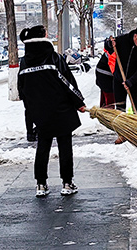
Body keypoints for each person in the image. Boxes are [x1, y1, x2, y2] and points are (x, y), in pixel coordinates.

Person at [17, 25, 86, 198]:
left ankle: (41, 184)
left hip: (40, 112)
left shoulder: (24, 62)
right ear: (43, 37)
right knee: (64, 146)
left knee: (43, 147)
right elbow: (66, 82)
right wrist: (79, 102)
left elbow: (22, 89)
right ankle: (67, 183)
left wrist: (32, 113)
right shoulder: (53, 58)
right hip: (60, 109)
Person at [111, 26, 137, 117]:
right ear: (135, 36)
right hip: (119, 80)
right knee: (120, 108)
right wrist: (110, 44)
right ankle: (121, 128)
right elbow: (109, 46)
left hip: (134, 82)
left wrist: (131, 81)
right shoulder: (122, 40)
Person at [94, 37, 116, 108]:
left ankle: (104, 112)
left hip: (104, 73)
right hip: (105, 74)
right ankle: (107, 115)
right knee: (110, 100)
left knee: (107, 99)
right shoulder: (115, 50)